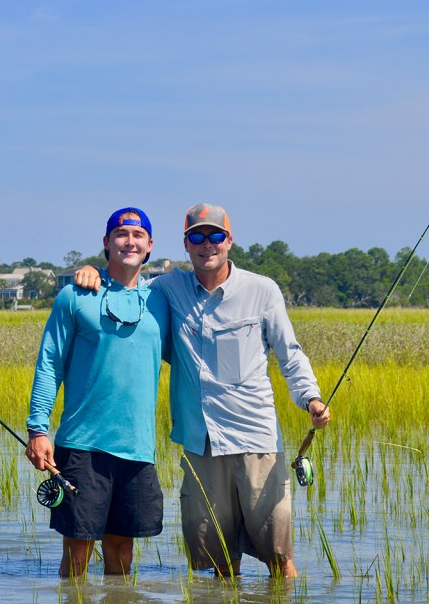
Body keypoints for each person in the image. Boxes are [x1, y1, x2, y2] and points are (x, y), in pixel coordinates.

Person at [73, 203, 330, 578]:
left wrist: (311, 399)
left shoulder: (262, 290)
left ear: (229, 240)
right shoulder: (166, 288)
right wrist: (92, 272)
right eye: (197, 237)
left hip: (256, 440)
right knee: (220, 563)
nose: (206, 244)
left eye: (214, 236)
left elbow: (290, 355)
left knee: (279, 556)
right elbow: (125, 281)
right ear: (185, 244)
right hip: (200, 445)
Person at [26, 207, 171, 579]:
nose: (129, 241)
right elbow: (49, 364)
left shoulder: (162, 300)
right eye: (121, 234)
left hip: (137, 448)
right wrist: (37, 430)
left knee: (122, 552)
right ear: (107, 243)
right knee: (77, 551)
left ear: (150, 246)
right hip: (82, 447)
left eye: (138, 236)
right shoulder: (74, 295)